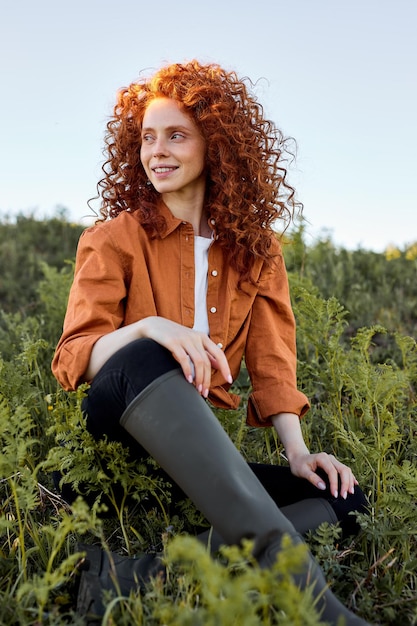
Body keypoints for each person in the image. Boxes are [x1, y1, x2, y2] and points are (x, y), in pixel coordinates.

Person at [52, 60, 370, 624]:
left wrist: (298, 454)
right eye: (148, 138)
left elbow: (273, 364)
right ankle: (312, 599)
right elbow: (77, 354)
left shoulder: (257, 251)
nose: (158, 151)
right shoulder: (113, 239)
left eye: (176, 135)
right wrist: (150, 327)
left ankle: (134, 575)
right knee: (143, 352)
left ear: (216, 146)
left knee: (343, 499)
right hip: (122, 429)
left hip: (195, 454)